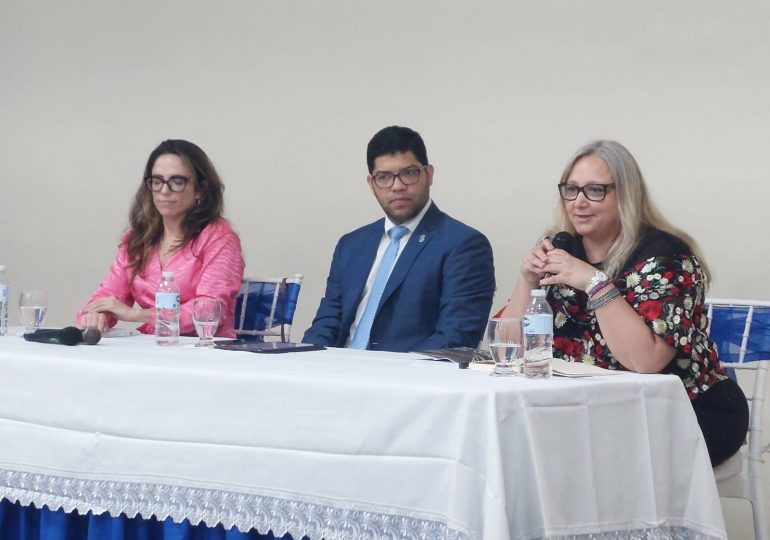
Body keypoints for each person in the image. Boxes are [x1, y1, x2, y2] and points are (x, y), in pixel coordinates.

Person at [500, 139, 748, 466]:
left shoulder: (665, 256)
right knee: (506, 438)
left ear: (627, 194)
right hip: (587, 408)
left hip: (684, 410)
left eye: (595, 191)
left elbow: (645, 361)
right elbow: (507, 351)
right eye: (571, 190)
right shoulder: (561, 247)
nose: (579, 203)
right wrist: (527, 281)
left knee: (575, 458)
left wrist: (594, 283)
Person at [303, 125, 495, 352]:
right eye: (384, 177)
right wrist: (306, 362)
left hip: (406, 378)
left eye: (409, 173)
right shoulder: (351, 245)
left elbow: (456, 337)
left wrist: (393, 375)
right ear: (371, 184)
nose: (397, 186)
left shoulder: (463, 245)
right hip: (341, 371)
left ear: (429, 174)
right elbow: (328, 323)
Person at [77, 139, 245, 338]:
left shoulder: (219, 238)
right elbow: (109, 295)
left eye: (177, 182)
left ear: (200, 189)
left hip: (207, 351)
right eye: (157, 182)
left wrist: (137, 314)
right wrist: (96, 315)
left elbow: (208, 310)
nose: (164, 191)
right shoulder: (137, 239)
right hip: (153, 348)